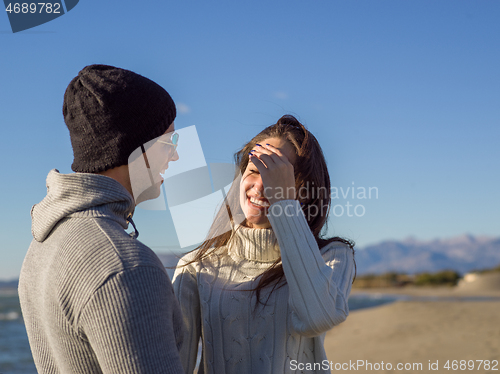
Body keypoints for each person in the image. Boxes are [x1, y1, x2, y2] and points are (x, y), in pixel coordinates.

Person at [19, 64, 185, 374]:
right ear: (135, 148)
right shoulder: (127, 267)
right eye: (169, 142)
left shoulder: (42, 244)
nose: (174, 156)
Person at [172, 115, 356, 374]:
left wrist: (283, 205)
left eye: (277, 177)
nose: (260, 187)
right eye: (254, 171)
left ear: (304, 192)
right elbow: (174, 364)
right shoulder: (196, 267)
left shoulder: (331, 256)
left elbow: (320, 317)